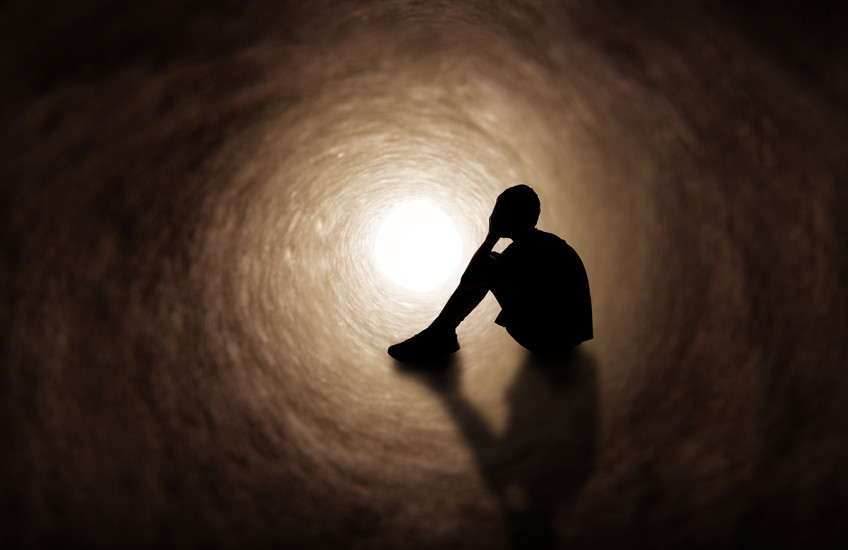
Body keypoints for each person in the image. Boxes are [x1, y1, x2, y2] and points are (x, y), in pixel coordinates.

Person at [388, 185, 592, 362]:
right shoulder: (545, 243)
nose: (492, 216)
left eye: (498, 211)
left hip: (548, 342)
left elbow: (469, 280)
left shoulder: (525, 250)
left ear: (508, 215)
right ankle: (441, 332)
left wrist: (491, 235)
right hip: (565, 339)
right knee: (493, 263)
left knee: (487, 264)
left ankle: (440, 333)